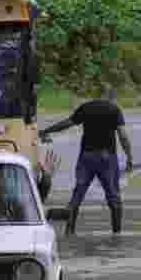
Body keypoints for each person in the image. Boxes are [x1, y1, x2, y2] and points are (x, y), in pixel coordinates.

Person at [39, 88, 132, 235]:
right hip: (107, 158)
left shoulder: (87, 107)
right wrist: (129, 156)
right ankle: (116, 234)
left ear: (100, 95)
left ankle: (70, 232)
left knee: (77, 195)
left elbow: (67, 123)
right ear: (112, 98)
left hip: (86, 158)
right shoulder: (114, 109)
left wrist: (47, 131)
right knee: (114, 197)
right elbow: (123, 136)